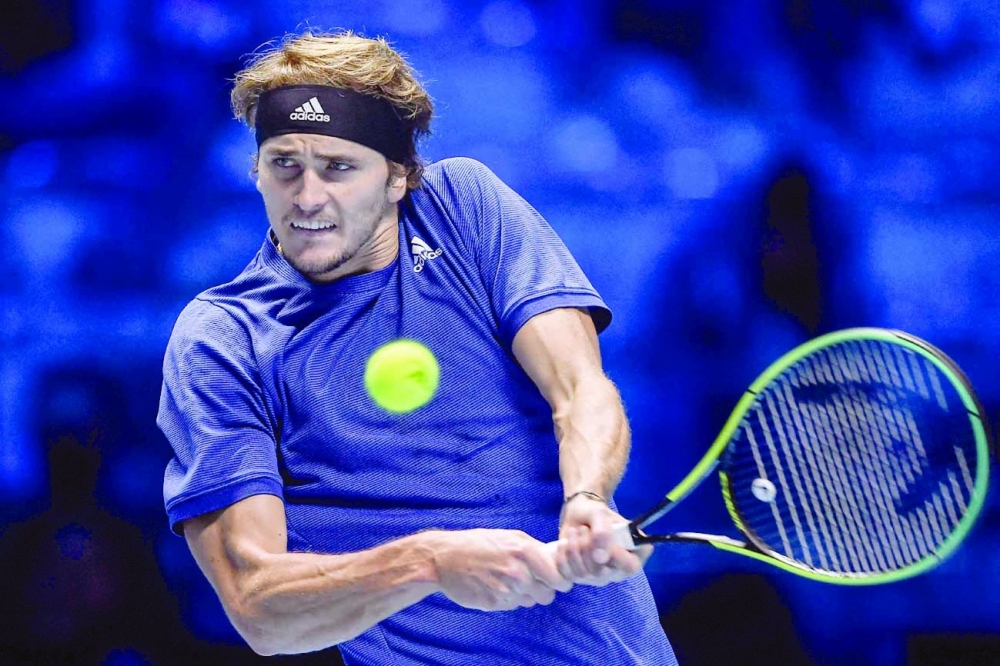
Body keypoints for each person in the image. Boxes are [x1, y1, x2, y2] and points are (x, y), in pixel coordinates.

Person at [157, 30, 676, 665]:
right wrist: (426, 562)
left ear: (399, 176)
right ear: (257, 170)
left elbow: (578, 388)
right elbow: (260, 609)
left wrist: (587, 500)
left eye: (339, 167)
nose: (308, 196)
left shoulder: (465, 208)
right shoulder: (223, 338)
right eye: (284, 163)